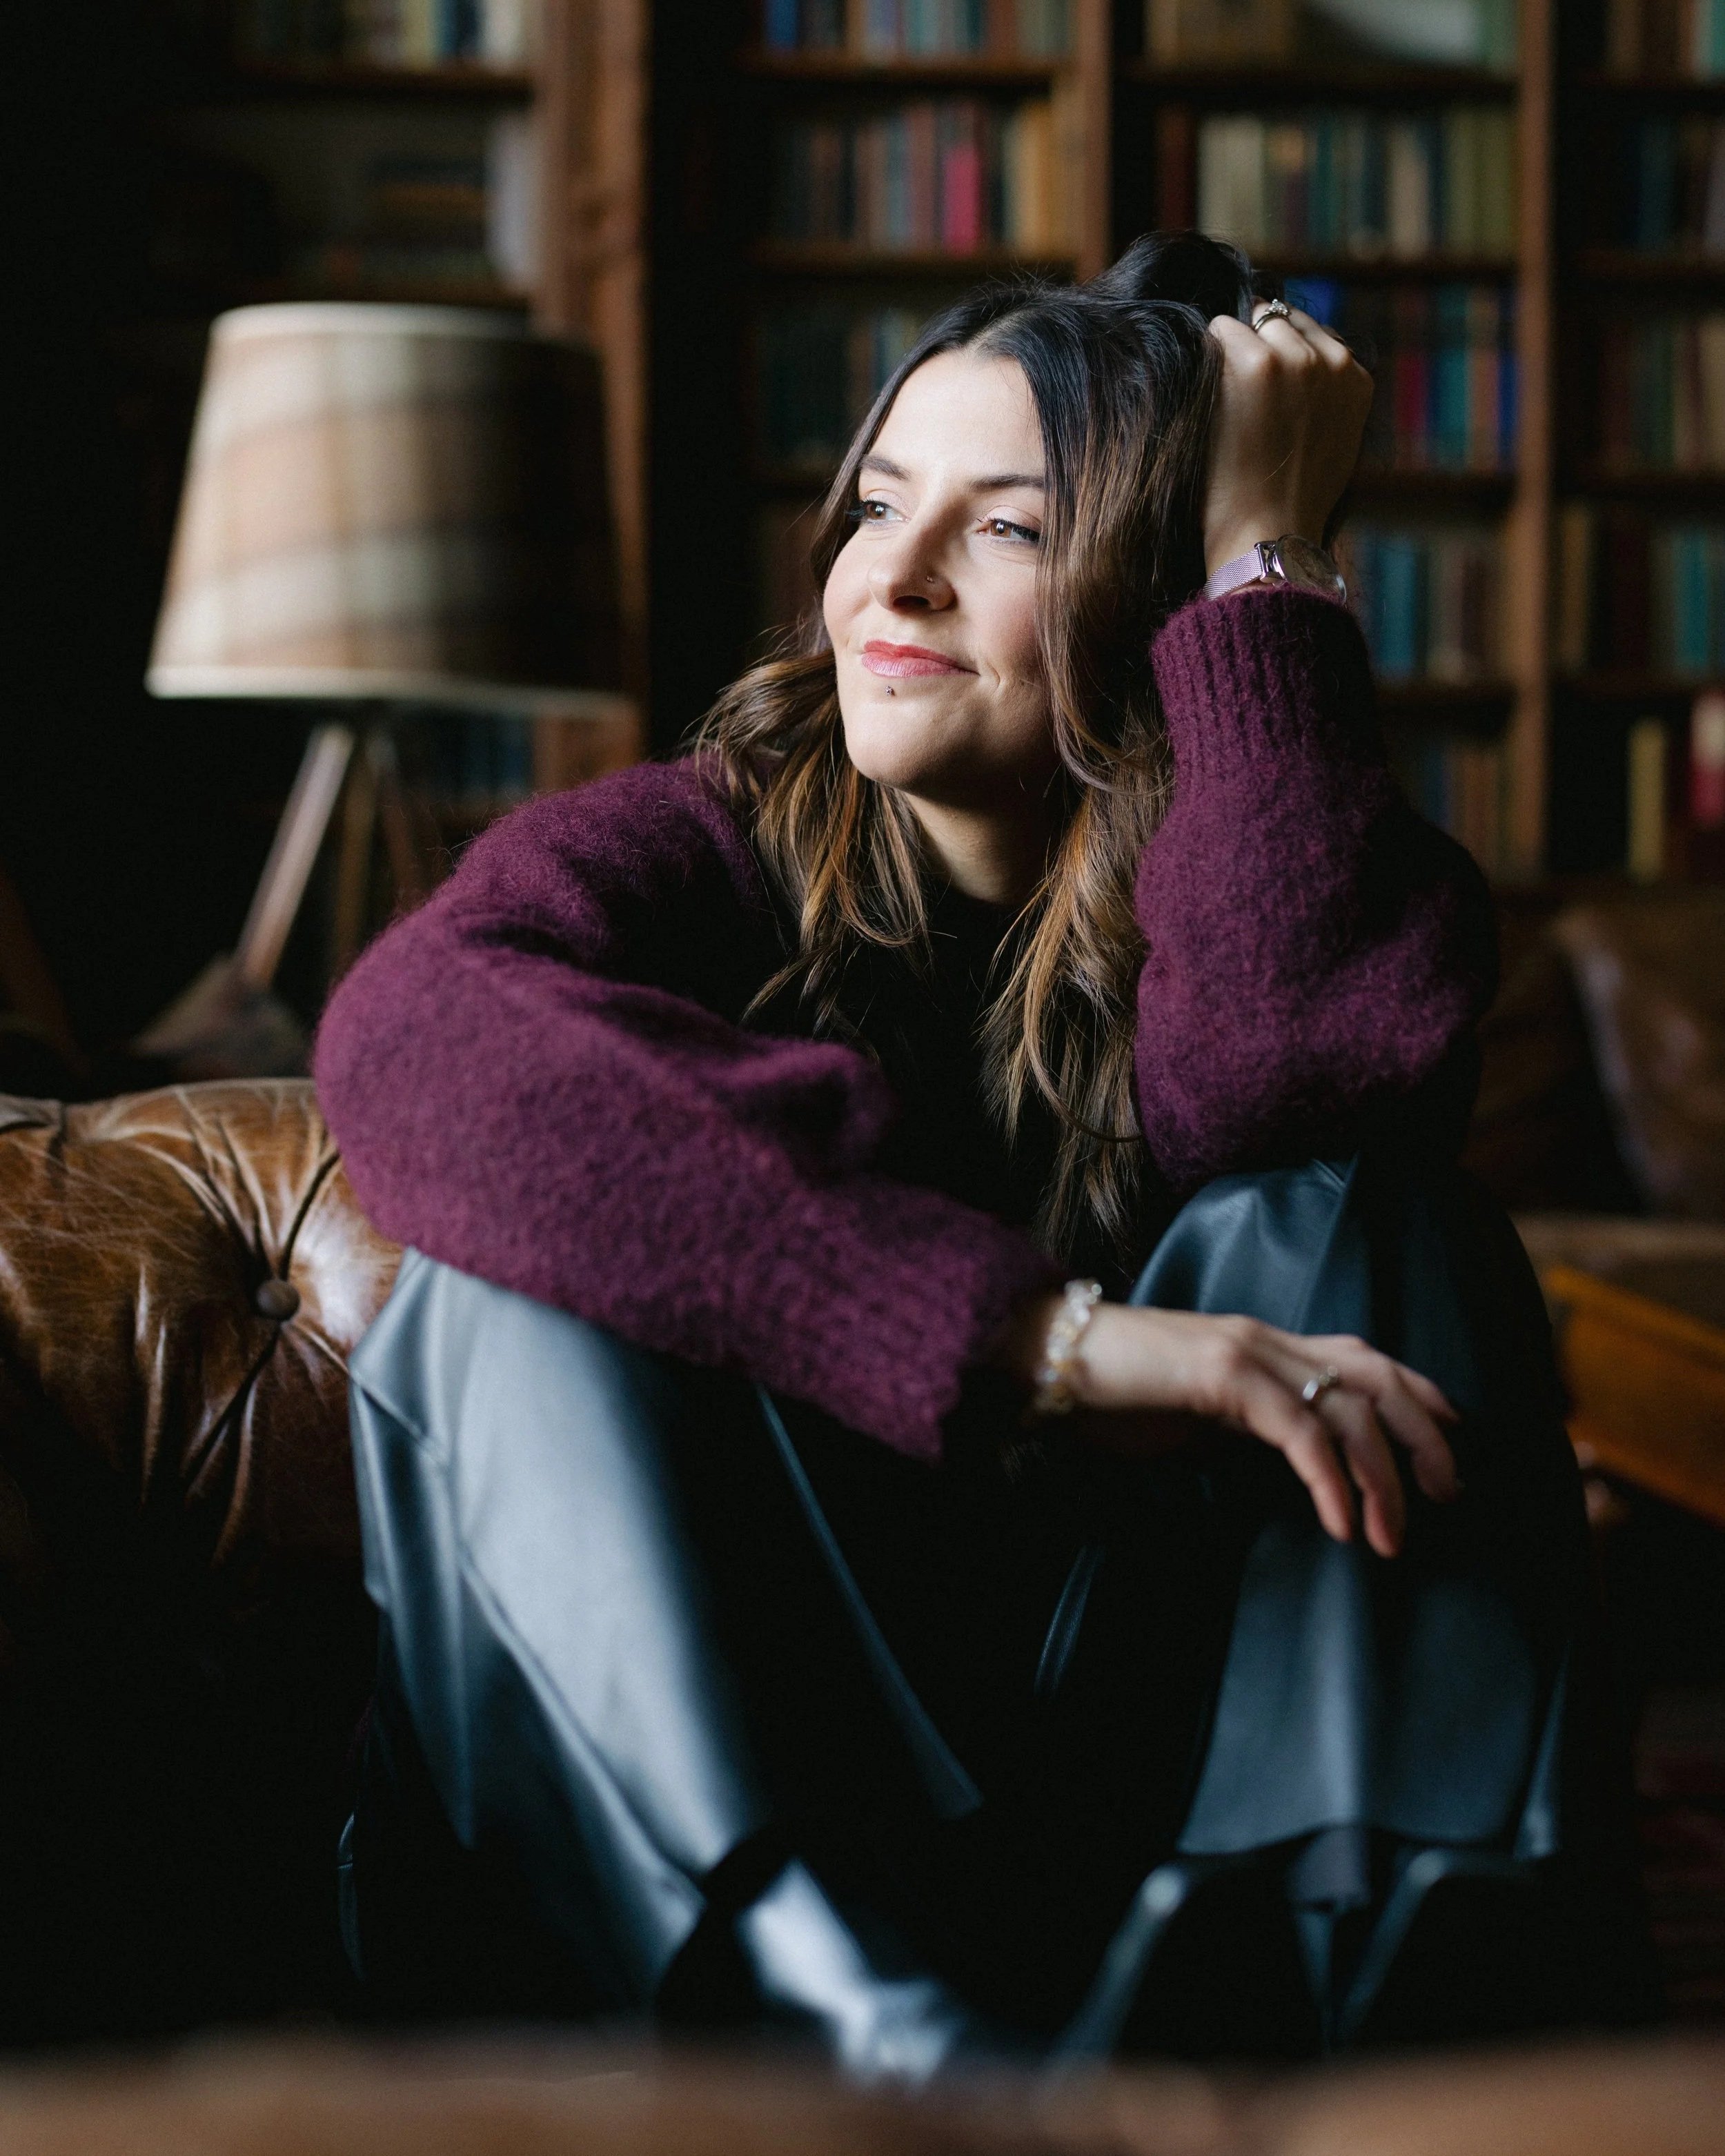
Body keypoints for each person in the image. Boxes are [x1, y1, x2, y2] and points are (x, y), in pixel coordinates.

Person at [314, 235, 1632, 2075]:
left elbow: (1312, 1099)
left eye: (1006, 529)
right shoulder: (695, 854)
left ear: (1148, 591)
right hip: (734, 1817)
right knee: (498, 1298)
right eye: (874, 505)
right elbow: (407, 1039)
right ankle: (827, 2008)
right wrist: (1043, 1344)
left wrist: (1263, 562)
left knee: (1349, 1211)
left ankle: (1379, 1967)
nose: (894, 580)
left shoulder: (1239, 876)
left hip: (1113, 1811)